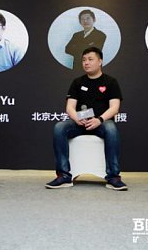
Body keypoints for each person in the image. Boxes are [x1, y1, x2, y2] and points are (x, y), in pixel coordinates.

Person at [45, 46, 127, 191]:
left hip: (101, 123)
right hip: (80, 123)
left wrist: (99, 120)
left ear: (100, 61)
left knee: (111, 127)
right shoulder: (77, 82)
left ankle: (113, 176)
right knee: (59, 127)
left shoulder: (110, 82)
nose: (86, 63)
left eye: (90, 59)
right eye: (84, 60)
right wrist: (77, 118)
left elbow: (114, 108)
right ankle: (63, 175)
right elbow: (70, 107)